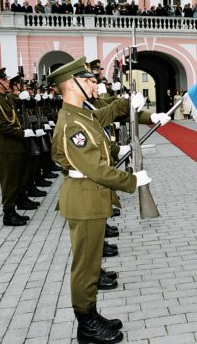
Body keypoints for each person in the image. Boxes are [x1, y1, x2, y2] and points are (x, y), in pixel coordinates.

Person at [47, 56, 153, 344]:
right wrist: (132, 181)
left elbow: (104, 121)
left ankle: (91, 314)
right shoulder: (72, 124)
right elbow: (95, 168)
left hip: (90, 197)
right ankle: (86, 324)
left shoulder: (83, 115)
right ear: (71, 85)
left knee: (92, 263)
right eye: (88, 80)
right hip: (83, 199)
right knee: (86, 266)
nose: (94, 83)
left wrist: (129, 108)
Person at [0, 68, 42, 226]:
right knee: (9, 181)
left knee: (19, 177)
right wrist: (22, 134)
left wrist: (30, 97)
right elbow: (1, 127)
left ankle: (19, 202)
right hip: (6, 147)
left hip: (17, 146)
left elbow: (24, 103)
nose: (7, 82)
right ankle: (8, 213)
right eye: (4, 80)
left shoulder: (7, 98)